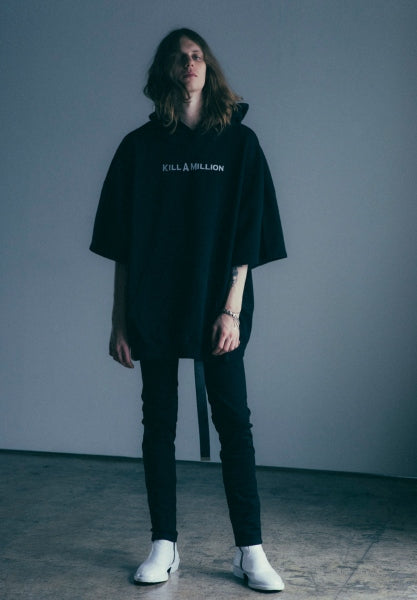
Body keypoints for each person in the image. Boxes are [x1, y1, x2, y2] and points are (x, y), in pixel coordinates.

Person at [90, 28, 287, 592]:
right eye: (178, 58)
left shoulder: (239, 145)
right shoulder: (139, 148)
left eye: (197, 55)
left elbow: (248, 235)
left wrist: (231, 311)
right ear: (165, 72)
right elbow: (123, 245)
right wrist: (119, 320)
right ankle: (164, 545)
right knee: (158, 422)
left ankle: (250, 550)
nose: (189, 63)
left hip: (218, 303)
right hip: (154, 302)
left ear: (209, 68)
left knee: (234, 423)